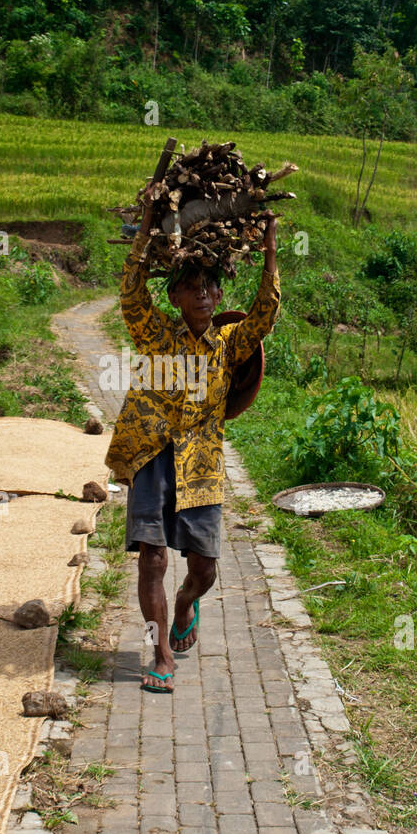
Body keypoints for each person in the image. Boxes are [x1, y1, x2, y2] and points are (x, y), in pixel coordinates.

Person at [104, 183, 281, 692]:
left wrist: (270, 254)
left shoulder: (230, 342)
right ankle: (159, 652)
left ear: (220, 295)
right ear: (175, 296)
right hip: (151, 454)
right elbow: (130, 294)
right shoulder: (154, 333)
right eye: (192, 285)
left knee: (203, 569)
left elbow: (265, 317)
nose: (203, 293)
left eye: (210, 285)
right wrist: (142, 237)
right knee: (153, 558)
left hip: (201, 460)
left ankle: (186, 603)